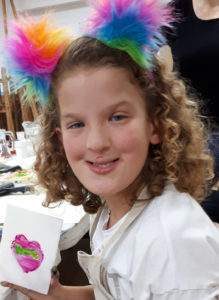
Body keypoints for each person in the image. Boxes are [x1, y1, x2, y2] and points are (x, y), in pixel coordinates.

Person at [1, 0, 219, 299]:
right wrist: (60, 295)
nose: (97, 142)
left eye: (117, 117)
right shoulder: (112, 209)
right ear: (59, 138)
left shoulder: (171, 245)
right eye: (77, 124)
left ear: (154, 125)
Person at [165, 0, 219, 222]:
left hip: (213, 134)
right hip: (189, 128)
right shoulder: (177, 10)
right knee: (171, 200)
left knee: (185, 204)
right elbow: (140, 51)